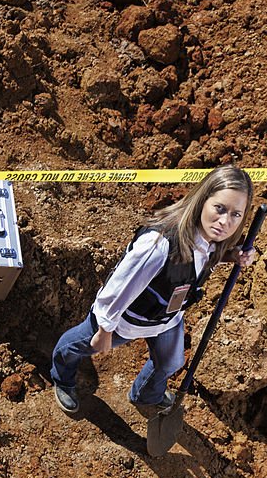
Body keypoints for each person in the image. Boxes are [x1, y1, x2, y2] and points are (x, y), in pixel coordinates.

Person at [50, 165, 256, 416]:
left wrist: (231, 256)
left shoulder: (212, 240)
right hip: (126, 320)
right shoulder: (159, 243)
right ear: (203, 200)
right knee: (76, 347)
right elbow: (119, 287)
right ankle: (62, 377)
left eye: (236, 214)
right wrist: (105, 329)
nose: (225, 221)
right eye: (220, 208)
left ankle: (147, 394)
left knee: (171, 362)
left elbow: (203, 257)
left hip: (166, 319)